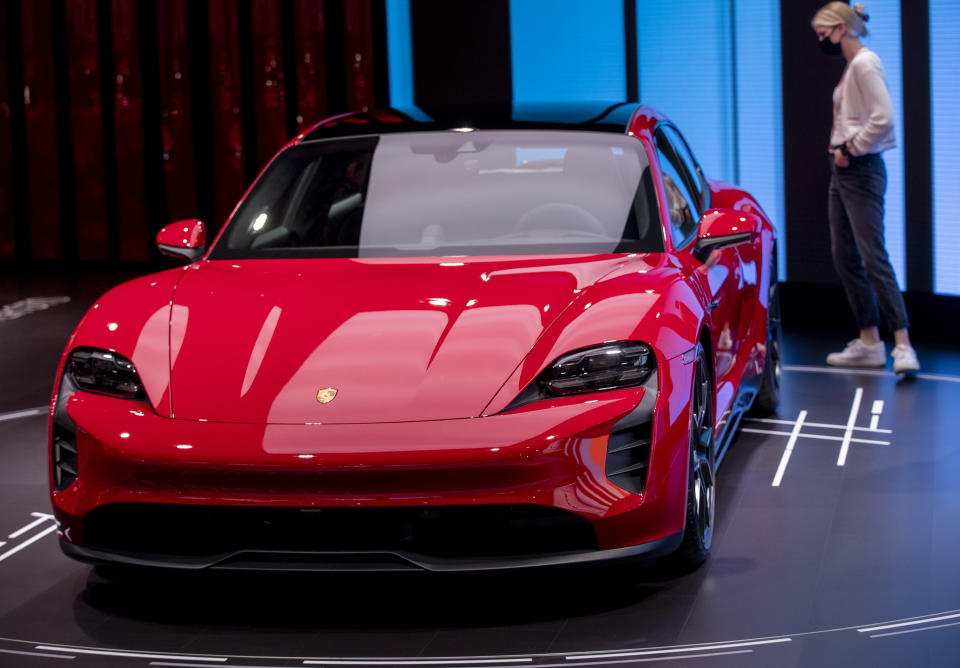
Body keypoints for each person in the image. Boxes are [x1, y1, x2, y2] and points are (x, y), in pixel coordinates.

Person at [812, 2, 919, 373]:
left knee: (872, 255)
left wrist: (851, 147)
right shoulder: (853, 67)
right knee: (846, 257)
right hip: (844, 172)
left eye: (823, 34)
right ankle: (870, 340)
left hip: (859, 169)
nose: (821, 41)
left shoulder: (864, 63)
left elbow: (885, 118)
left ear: (841, 28)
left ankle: (903, 344)